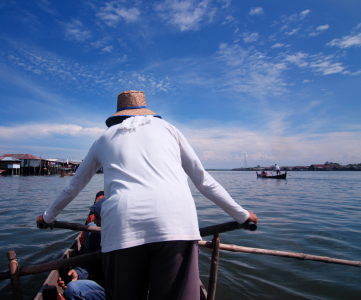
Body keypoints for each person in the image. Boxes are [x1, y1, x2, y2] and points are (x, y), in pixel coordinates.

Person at [37, 90, 258, 300]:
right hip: (175, 220)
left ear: (118, 117)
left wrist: (47, 218)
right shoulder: (170, 129)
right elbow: (203, 181)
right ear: (147, 112)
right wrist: (241, 215)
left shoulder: (103, 139)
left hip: (123, 223)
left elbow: (73, 187)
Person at [58, 198, 107, 300]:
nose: (95, 220)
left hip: (126, 289)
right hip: (105, 286)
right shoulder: (95, 232)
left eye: (98, 217)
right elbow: (89, 263)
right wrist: (77, 273)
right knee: (72, 289)